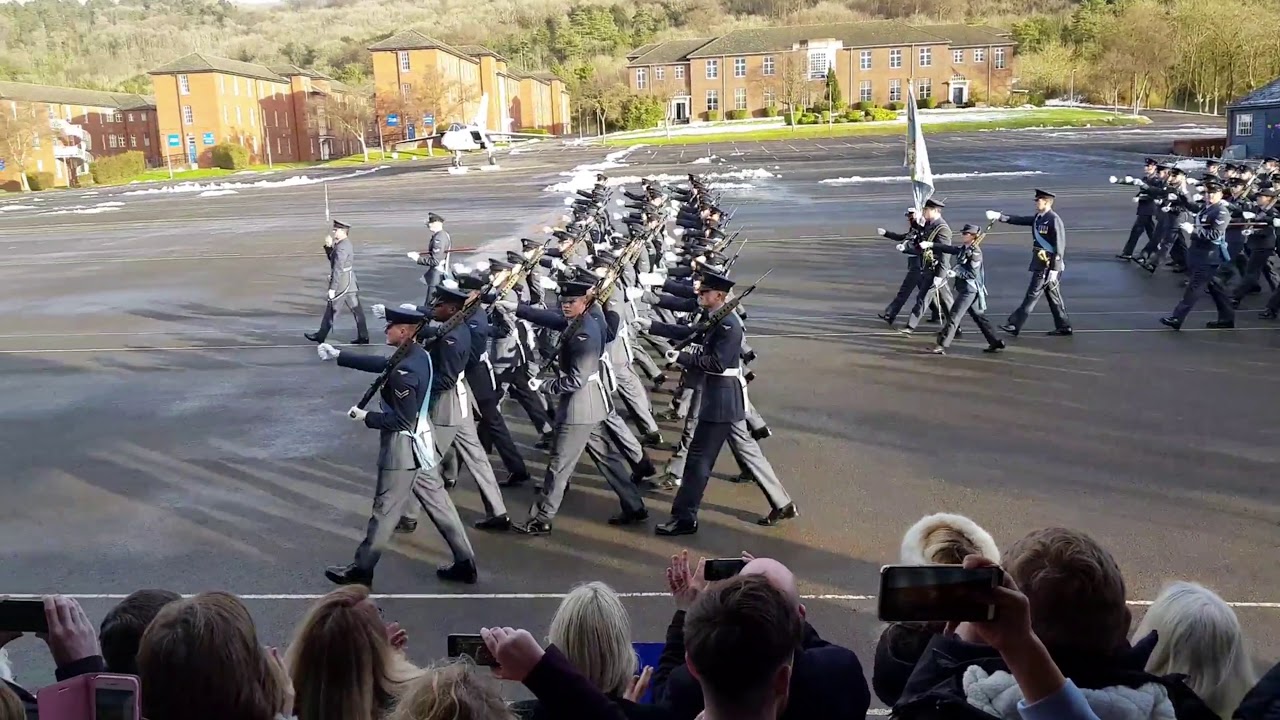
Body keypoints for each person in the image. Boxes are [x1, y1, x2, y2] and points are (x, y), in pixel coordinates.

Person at [316, 305, 478, 587]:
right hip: (422, 444)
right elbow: (383, 365)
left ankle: (362, 569)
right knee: (439, 504)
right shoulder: (417, 354)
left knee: (385, 509)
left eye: (390, 326)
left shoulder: (405, 370)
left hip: (403, 450)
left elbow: (402, 420)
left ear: (403, 331)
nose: (386, 330)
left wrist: (367, 417)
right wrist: (340, 355)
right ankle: (465, 561)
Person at [649, 271, 796, 536]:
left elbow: (717, 363)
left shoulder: (729, 325)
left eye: (705, 292)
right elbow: (692, 332)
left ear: (719, 295)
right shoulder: (717, 317)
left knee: (698, 462)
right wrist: (652, 326)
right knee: (748, 451)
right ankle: (783, 504)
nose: (700, 294)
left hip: (720, 400)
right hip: (725, 398)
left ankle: (684, 518)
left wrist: (681, 358)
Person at [500, 281, 647, 534]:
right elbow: (550, 318)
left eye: (572, 302)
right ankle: (635, 505)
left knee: (559, 465)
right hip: (592, 404)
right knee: (607, 459)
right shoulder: (589, 317)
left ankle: (542, 518)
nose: (566, 306)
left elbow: (577, 380)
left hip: (579, 407)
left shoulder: (584, 333)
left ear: (585, 302)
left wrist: (545, 385)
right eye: (563, 302)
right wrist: (517, 308)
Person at [988, 189, 1073, 337]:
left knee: (1032, 295)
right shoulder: (1039, 218)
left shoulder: (1053, 219)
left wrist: (1055, 269)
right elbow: (1020, 220)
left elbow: (1059, 245)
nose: (1036, 203)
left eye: (1038, 200)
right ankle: (1064, 326)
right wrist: (1000, 217)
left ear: (1046, 202)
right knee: (1053, 297)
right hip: (1041, 263)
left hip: (1047, 265)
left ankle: (1015, 324)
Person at [1160, 179, 1236, 330]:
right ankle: (1227, 318)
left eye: (1213, 193)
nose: (1209, 196)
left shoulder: (1221, 212)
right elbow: (1191, 206)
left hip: (1208, 257)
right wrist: (1183, 192)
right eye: (1207, 193)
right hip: (1198, 255)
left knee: (1194, 288)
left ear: (1221, 195)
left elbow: (1215, 234)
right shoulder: (1206, 208)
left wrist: (1193, 231)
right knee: (1216, 288)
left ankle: (1177, 318)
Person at [922, 223, 1005, 355]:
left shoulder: (975, 253)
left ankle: (941, 345)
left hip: (969, 290)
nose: (963, 235)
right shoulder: (965, 248)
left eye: (966, 234)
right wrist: (931, 244)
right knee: (979, 317)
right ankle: (995, 341)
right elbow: (949, 249)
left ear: (973, 236)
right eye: (963, 233)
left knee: (954, 316)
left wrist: (956, 273)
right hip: (966, 289)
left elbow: (972, 274)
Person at [307, 219, 369, 345]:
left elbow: (337, 268)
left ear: (342, 231)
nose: (334, 232)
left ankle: (321, 335)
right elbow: (334, 260)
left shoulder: (342, 247)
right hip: (349, 282)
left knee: (332, 309)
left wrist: (332, 288)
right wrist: (329, 247)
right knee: (357, 311)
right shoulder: (344, 244)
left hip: (342, 284)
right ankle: (363, 336)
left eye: (336, 230)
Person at [1118, 158, 1162, 260]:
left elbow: (1155, 194)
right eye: (1145, 166)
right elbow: (1142, 190)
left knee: (1137, 230)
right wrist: (1138, 195)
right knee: (1151, 232)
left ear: (1154, 167)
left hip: (1150, 208)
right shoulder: (1146, 178)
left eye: (1148, 166)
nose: (1146, 168)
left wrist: (1141, 197)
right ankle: (1158, 249)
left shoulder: (1157, 180)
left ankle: (1128, 252)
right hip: (1143, 208)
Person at [409, 213, 451, 305]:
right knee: (436, 302)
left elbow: (435, 261)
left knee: (430, 303)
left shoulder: (439, 238)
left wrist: (418, 259)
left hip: (437, 274)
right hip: (441, 272)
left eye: (430, 223)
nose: (428, 225)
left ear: (436, 223)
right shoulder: (443, 235)